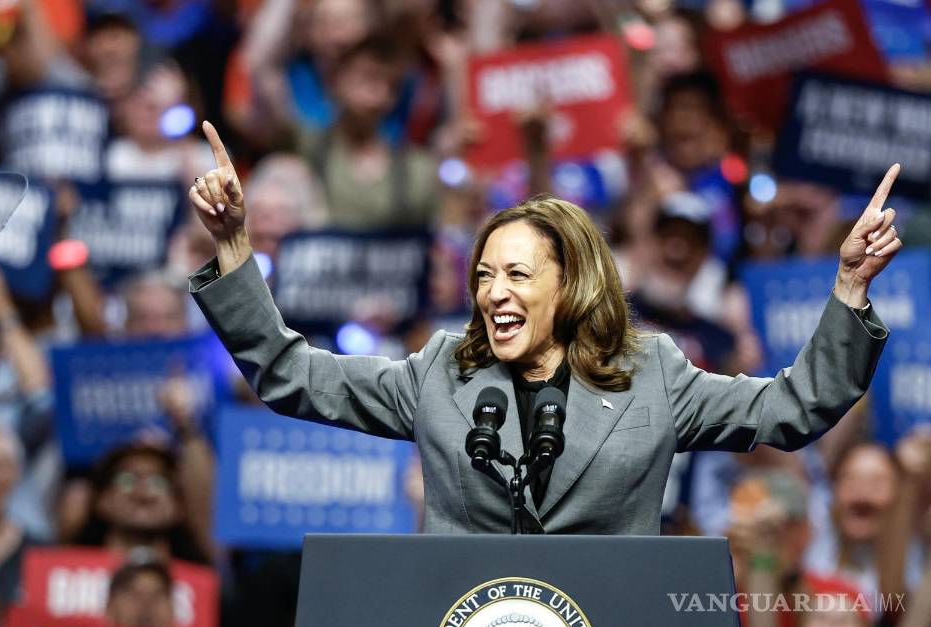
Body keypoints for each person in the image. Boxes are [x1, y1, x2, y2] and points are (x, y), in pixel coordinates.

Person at [187, 120, 897, 534]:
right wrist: (234, 247)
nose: (493, 293)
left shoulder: (654, 375)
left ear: (573, 285)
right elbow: (289, 376)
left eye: (518, 276)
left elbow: (791, 409)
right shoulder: (440, 371)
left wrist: (849, 289)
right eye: (484, 275)